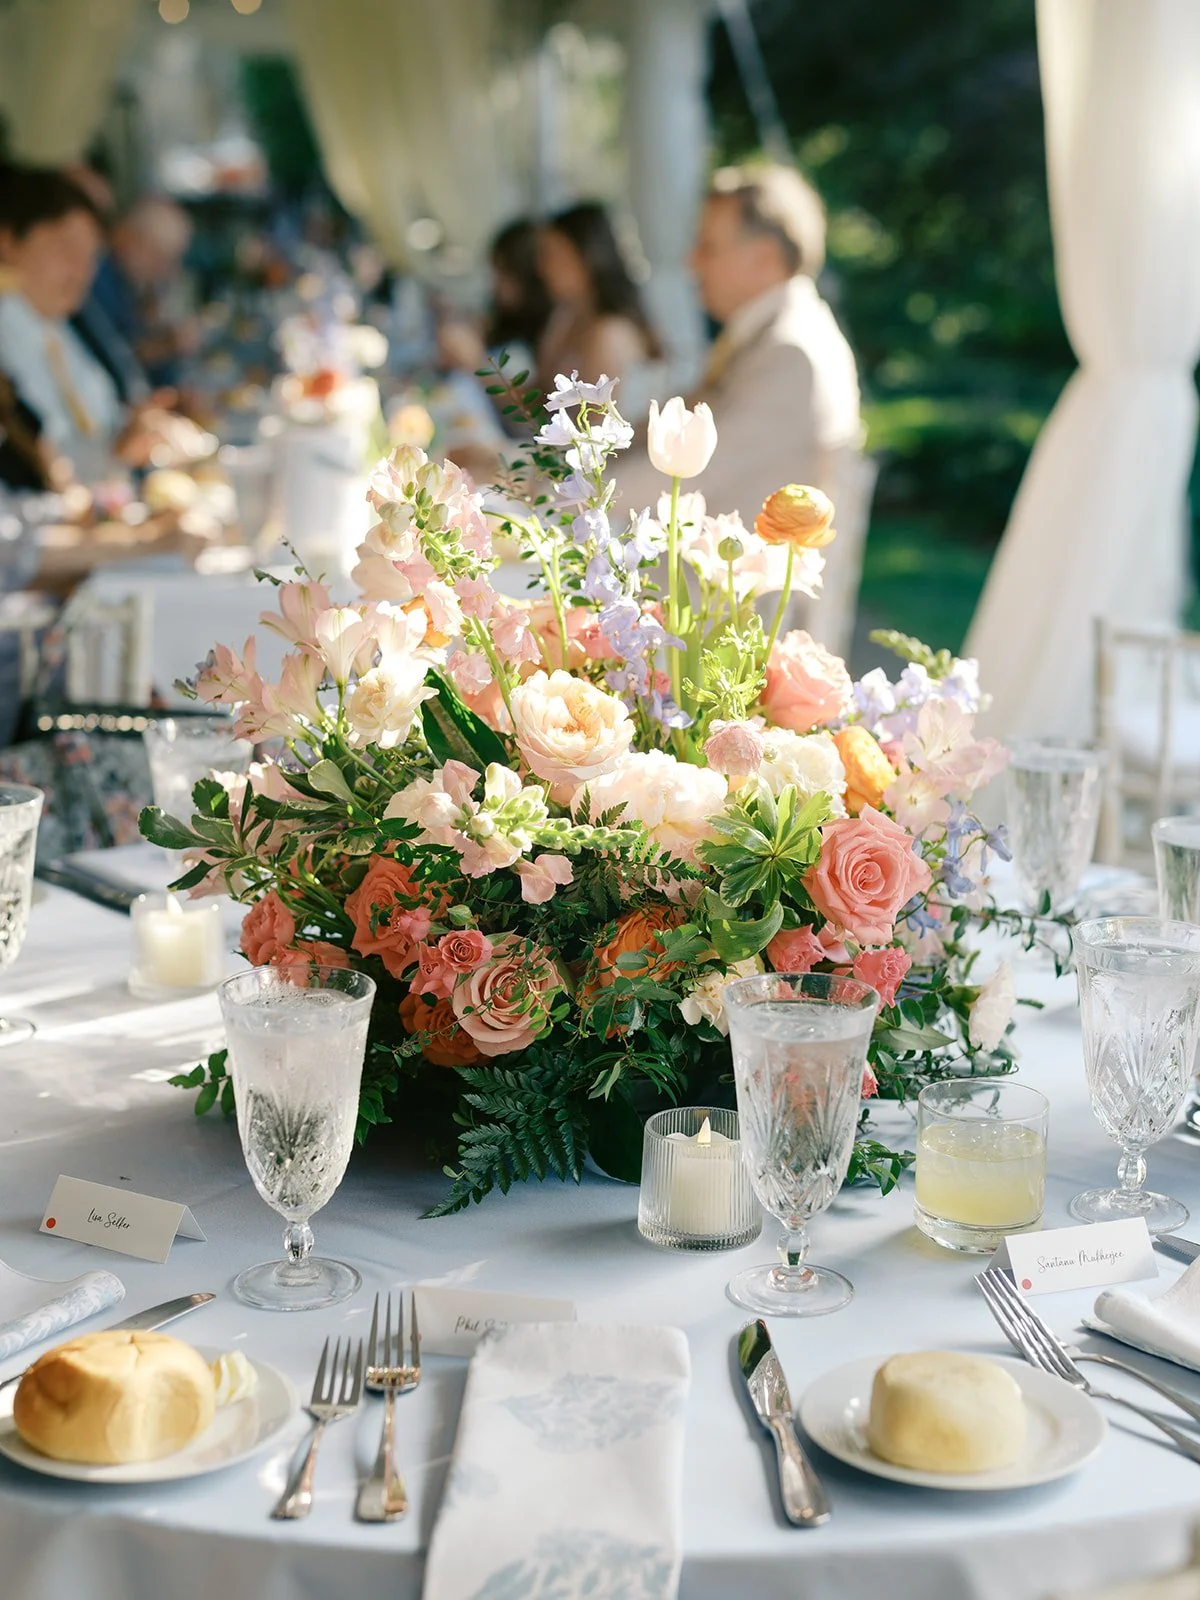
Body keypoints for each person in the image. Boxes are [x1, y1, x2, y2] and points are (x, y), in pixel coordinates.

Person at [613, 164, 867, 652]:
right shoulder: (776, 331)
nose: (691, 262)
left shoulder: (792, 353)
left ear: (765, 258)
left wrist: (554, 495)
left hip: (730, 630)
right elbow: (671, 429)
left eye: (708, 247)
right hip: (703, 596)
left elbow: (688, 473)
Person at [0, 167, 123, 471]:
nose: (82, 270)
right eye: (65, 248)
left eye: (91, 255)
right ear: (8, 242)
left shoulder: (65, 325)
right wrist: (118, 453)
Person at [536, 202, 664, 418]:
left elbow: (596, 432)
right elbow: (539, 395)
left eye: (554, 256)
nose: (543, 268)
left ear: (588, 257)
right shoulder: (565, 316)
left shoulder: (610, 334)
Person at [86, 195, 199, 390]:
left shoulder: (131, 285)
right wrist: (164, 346)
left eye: (170, 260)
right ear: (125, 236)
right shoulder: (96, 280)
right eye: (158, 255)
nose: (164, 270)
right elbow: (110, 360)